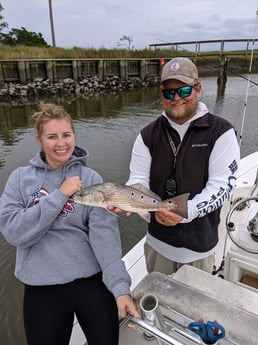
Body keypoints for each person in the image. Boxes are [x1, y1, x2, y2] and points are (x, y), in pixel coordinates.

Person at [0, 103, 140, 345]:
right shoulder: (20, 179)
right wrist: (59, 195)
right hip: (41, 287)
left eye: (66, 135)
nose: (61, 143)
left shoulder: (91, 179)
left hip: (91, 281)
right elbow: (13, 232)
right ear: (39, 139)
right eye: (52, 136)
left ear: (74, 135)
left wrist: (120, 287)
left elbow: (104, 238)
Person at [111, 57, 240, 275]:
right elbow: (138, 179)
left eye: (184, 90)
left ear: (198, 89)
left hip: (199, 250)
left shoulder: (221, 132)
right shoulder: (147, 135)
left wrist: (186, 211)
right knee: (158, 304)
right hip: (157, 245)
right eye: (169, 93)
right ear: (162, 94)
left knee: (193, 309)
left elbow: (223, 186)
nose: (176, 98)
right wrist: (124, 199)